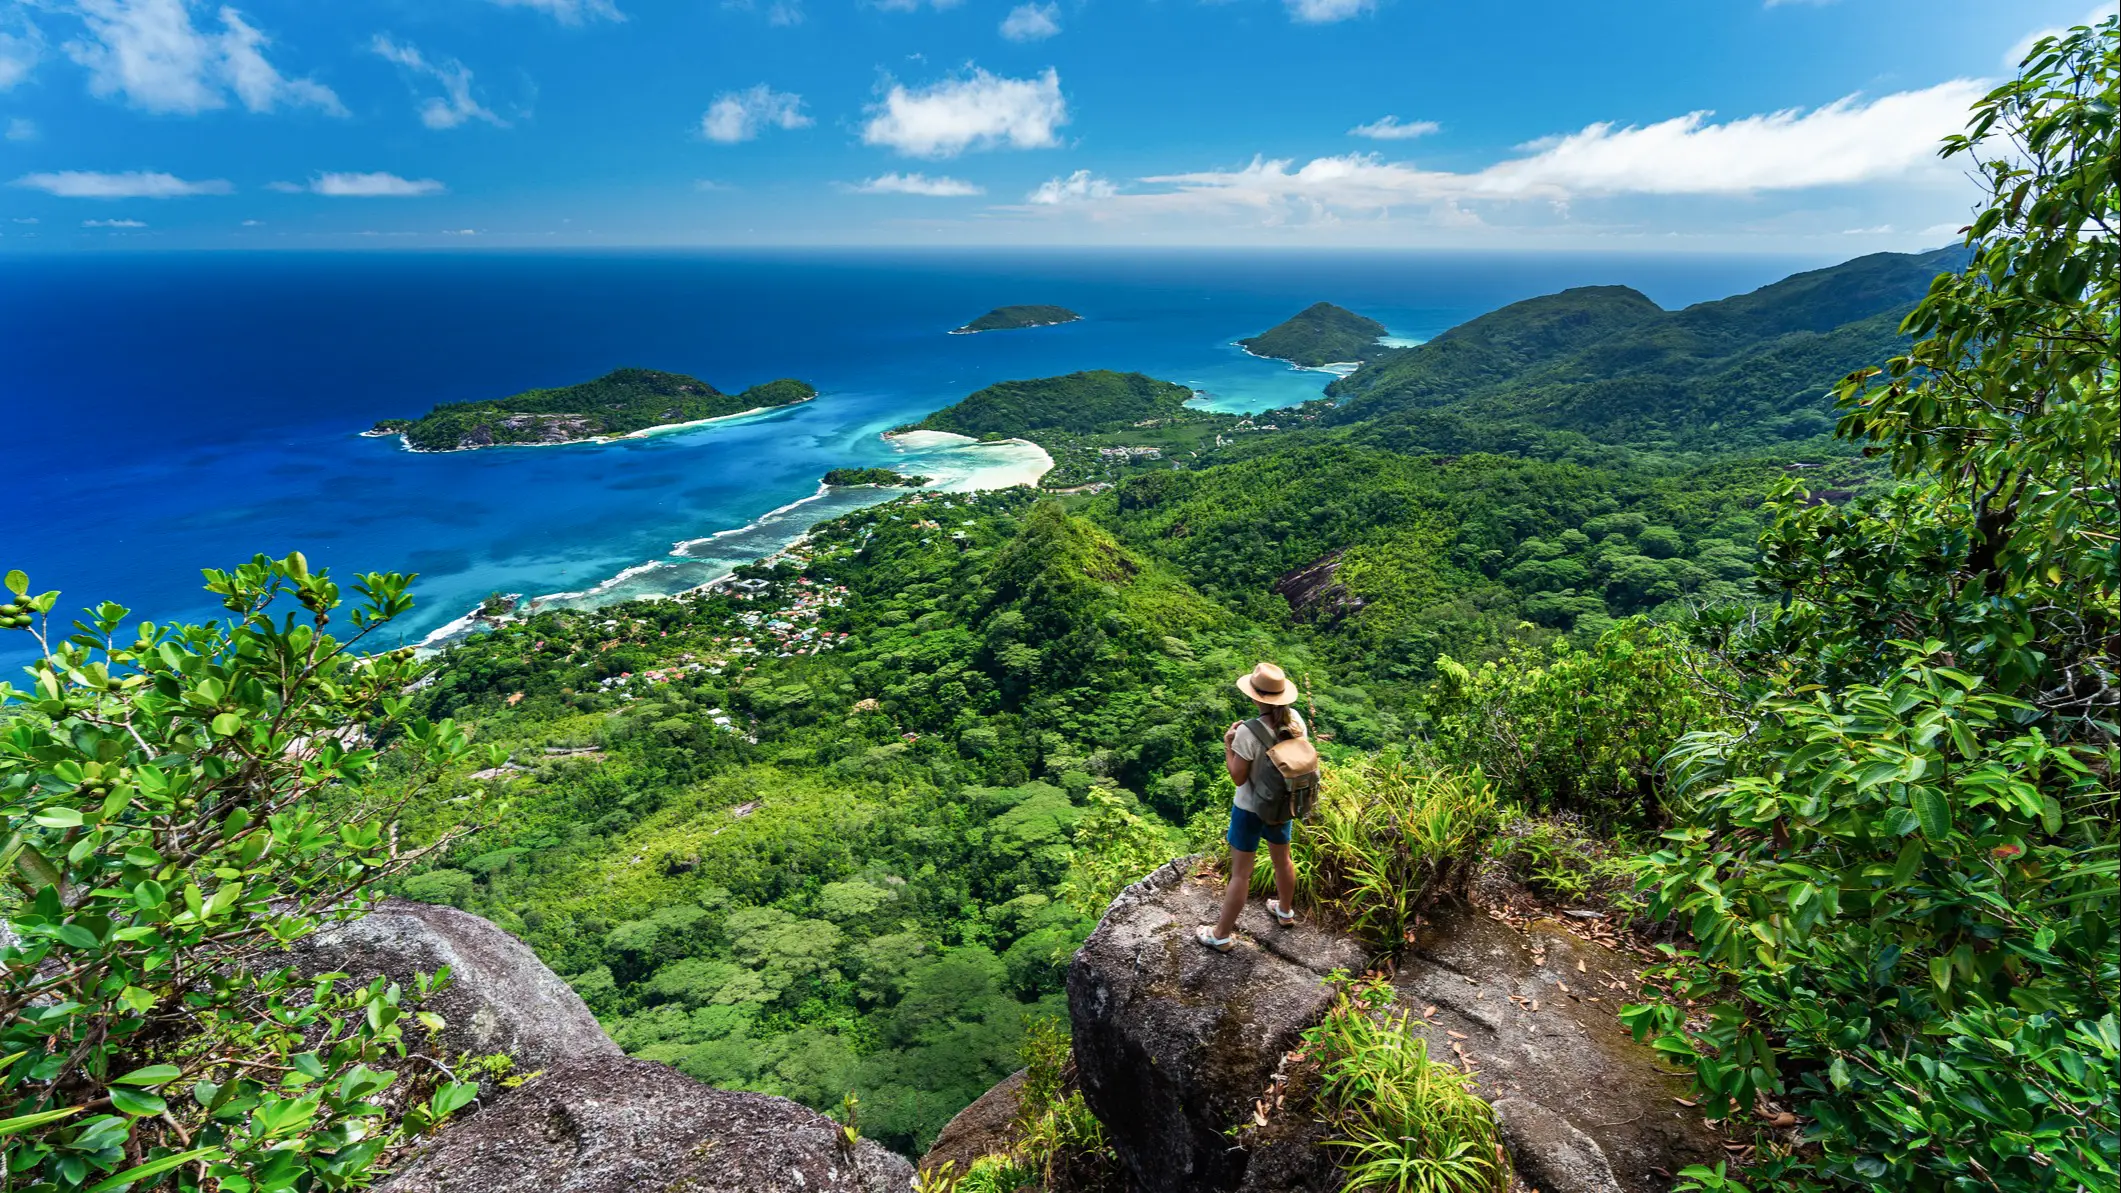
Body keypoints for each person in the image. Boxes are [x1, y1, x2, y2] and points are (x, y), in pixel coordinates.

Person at [1197, 661, 1306, 952]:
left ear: (1256, 697)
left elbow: (1238, 777)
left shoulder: (1247, 732)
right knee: (1283, 860)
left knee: (1241, 874)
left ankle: (1220, 934)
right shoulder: (1295, 720)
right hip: (1283, 805)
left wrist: (1228, 744)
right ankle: (1285, 911)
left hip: (1249, 809)